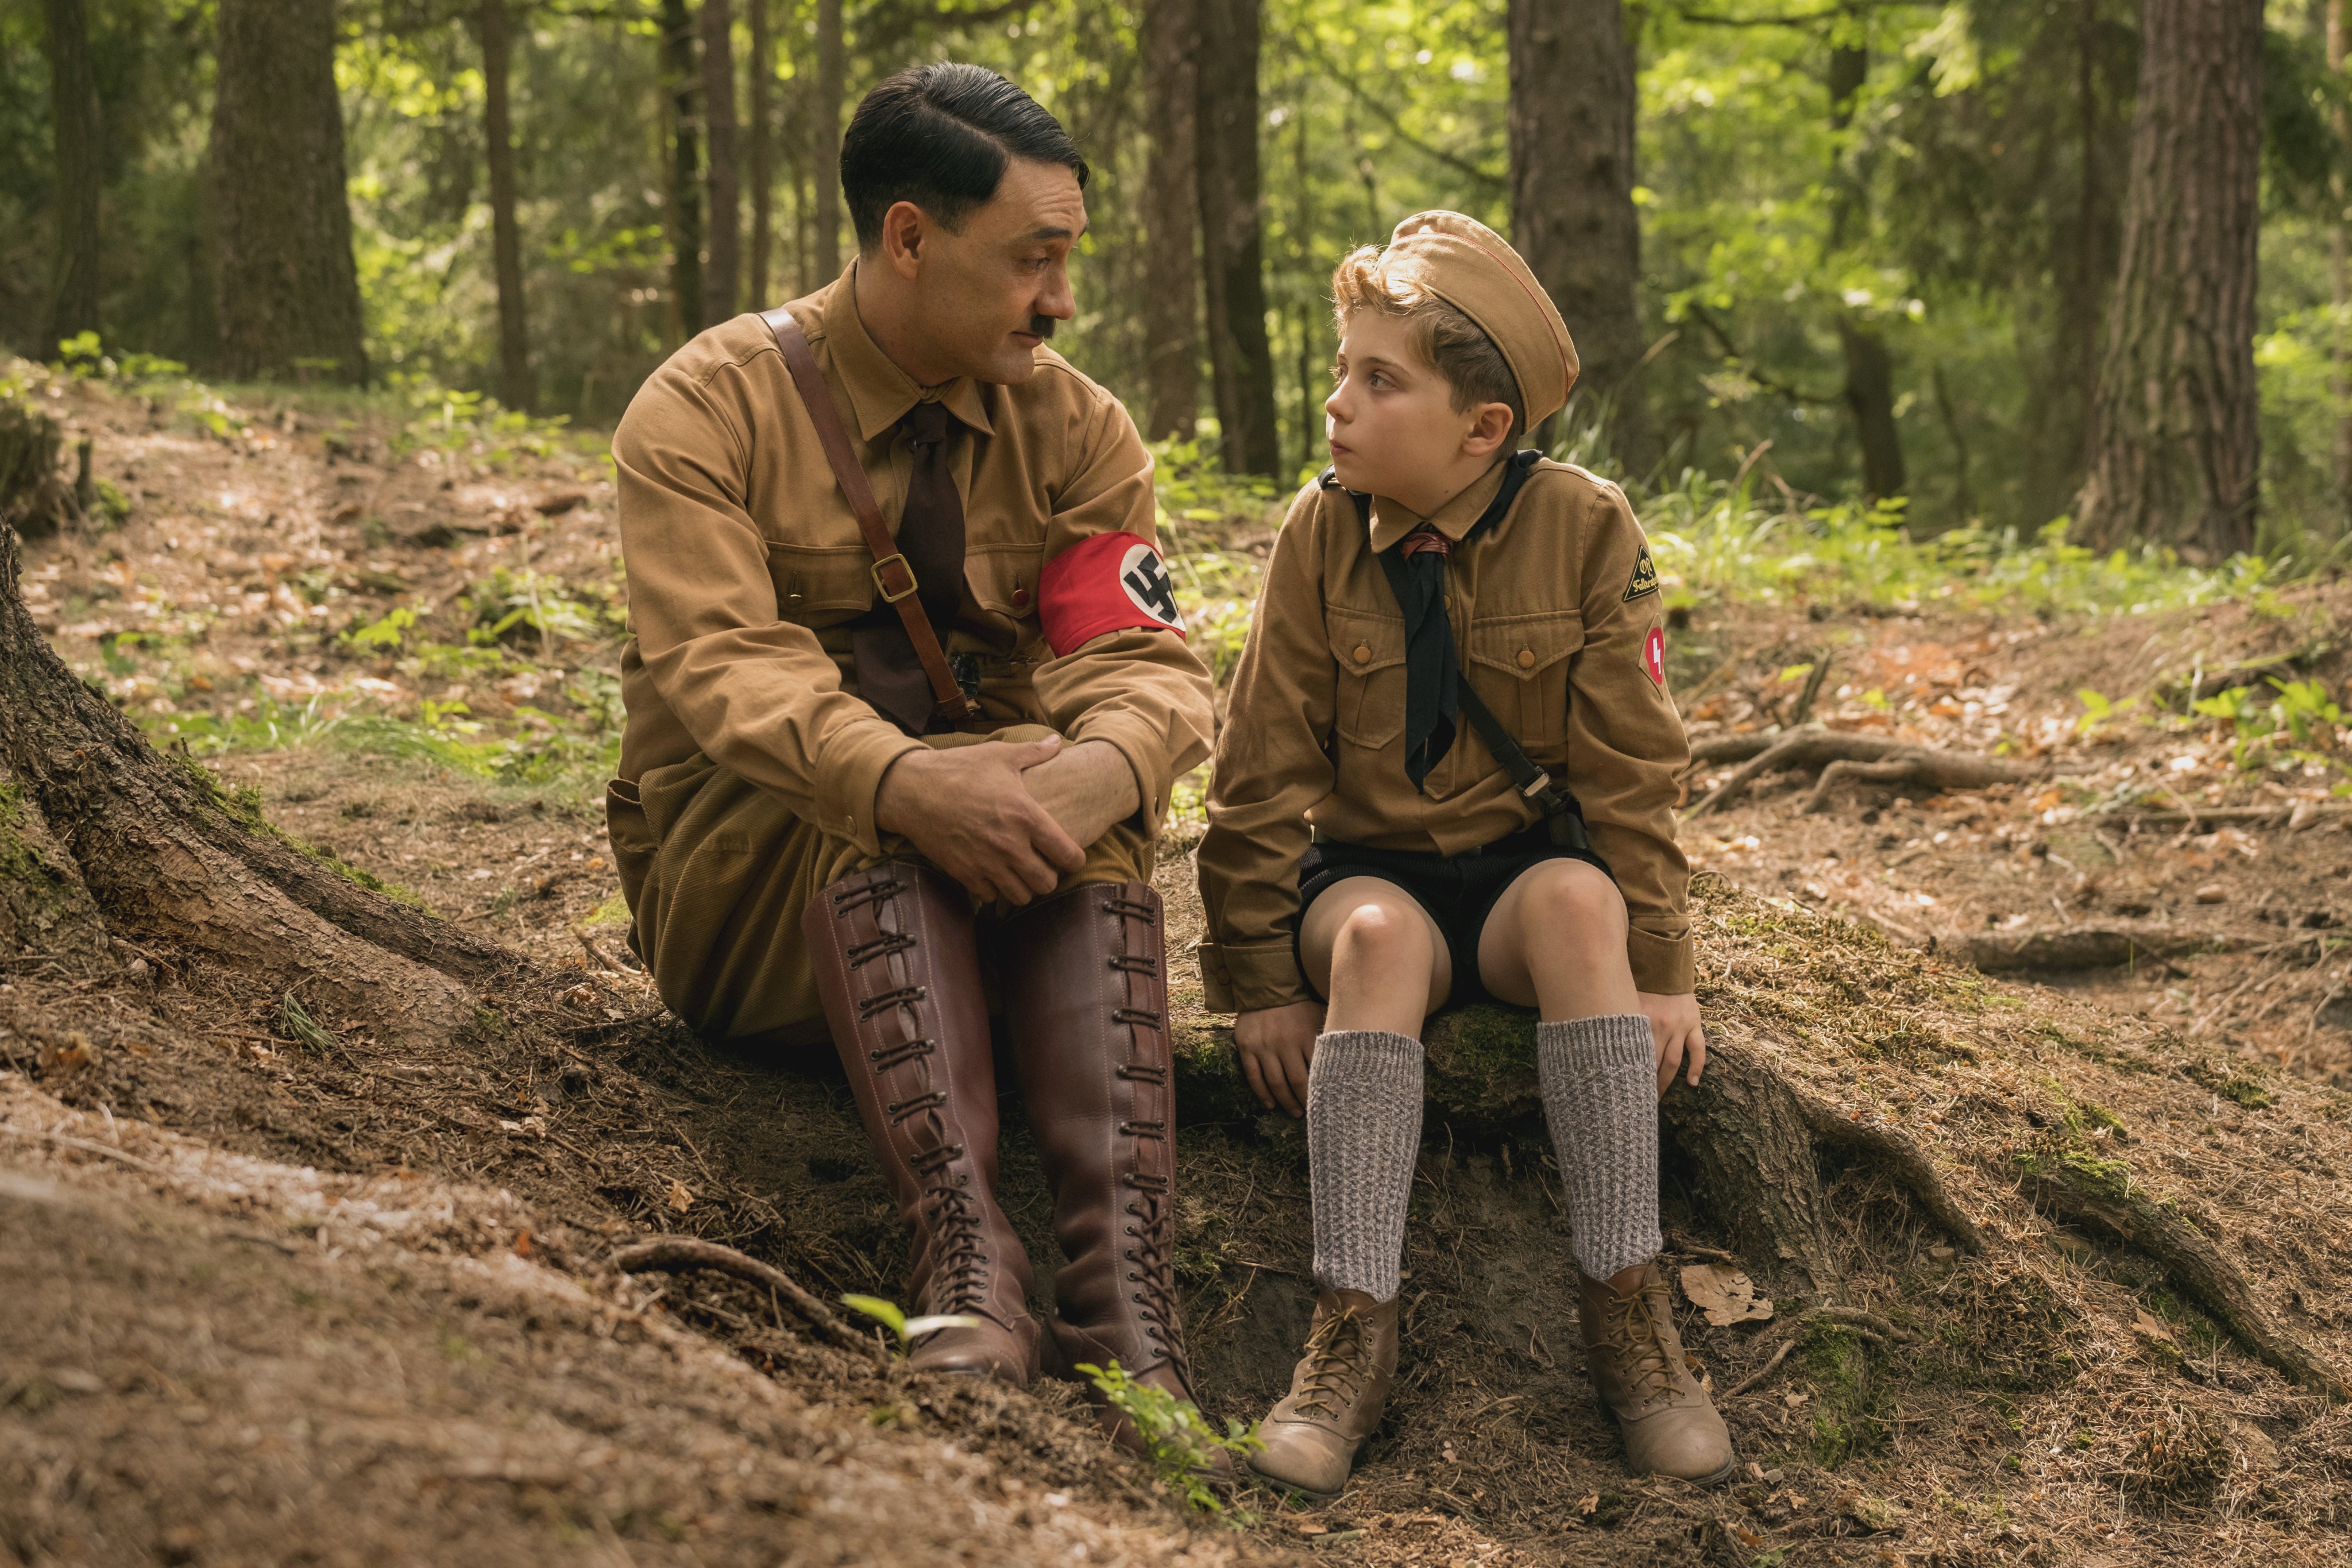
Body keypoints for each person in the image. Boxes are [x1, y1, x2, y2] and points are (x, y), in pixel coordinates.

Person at [604, 63, 1217, 1454]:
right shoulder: (705, 412)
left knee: (1085, 788)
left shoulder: (1078, 429)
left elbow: (1142, 666)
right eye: (1030, 261)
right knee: (860, 786)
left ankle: (1122, 1300)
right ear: (906, 237)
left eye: (1067, 260)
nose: (1058, 299)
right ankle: (965, 1259)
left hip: (999, 884)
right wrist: (903, 783)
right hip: (752, 895)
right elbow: (727, 676)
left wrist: (1091, 773)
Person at [1195, 211, 1731, 1494]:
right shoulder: (1318, 533)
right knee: (1375, 945)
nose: (1337, 405)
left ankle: (1627, 1316)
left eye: (1379, 382)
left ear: (1481, 428)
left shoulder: (1586, 529)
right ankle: (1348, 1336)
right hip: (1369, 882)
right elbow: (1257, 766)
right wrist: (1259, 977)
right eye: (1342, 370)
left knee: (1576, 913)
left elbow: (1630, 771)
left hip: (1513, 878)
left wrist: (1663, 966)